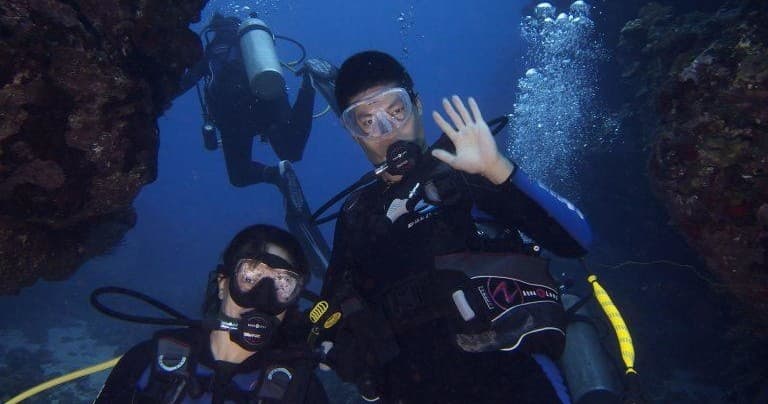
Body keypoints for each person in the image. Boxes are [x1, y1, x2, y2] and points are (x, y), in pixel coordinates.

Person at [318, 51, 594, 403]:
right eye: (367, 122)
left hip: (517, 379)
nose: (387, 133)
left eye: (396, 111)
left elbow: (577, 239)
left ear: (417, 105)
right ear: (353, 133)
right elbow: (331, 310)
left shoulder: (470, 170)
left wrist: (499, 171)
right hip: (411, 388)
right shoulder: (357, 215)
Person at [95, 224, 328, 403]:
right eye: (250, 277)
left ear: (292, 301)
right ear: (222, 284)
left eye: (283, 284)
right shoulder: (147, 362)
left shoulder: (301, 389)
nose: (262, 299)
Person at [181, 13, 324, 188]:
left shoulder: (211, 54)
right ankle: (308, 86)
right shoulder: (251, 49)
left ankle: (276, 174)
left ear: (214, 31)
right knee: (292, 151)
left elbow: (185, 83)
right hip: (267, 101)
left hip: (233, 117)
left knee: (239, 175)